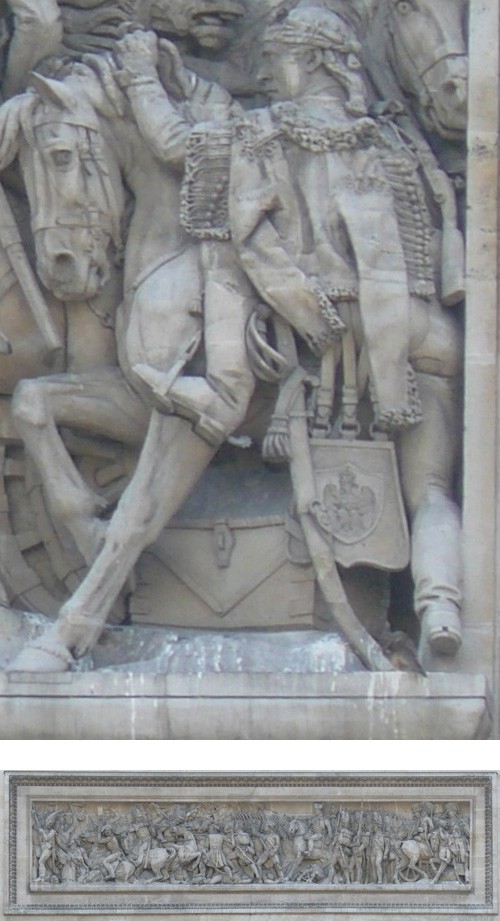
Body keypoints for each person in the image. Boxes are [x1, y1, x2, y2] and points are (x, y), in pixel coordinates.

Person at [227, 4, 464, 658]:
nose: (269, 75)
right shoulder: (397, 142)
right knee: (434, 490)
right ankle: (439, 602)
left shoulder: (262, 135)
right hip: (419, 333)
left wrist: (319, 323)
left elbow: (251, 245)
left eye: (277, 59)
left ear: (311, 61)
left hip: (319, 330)